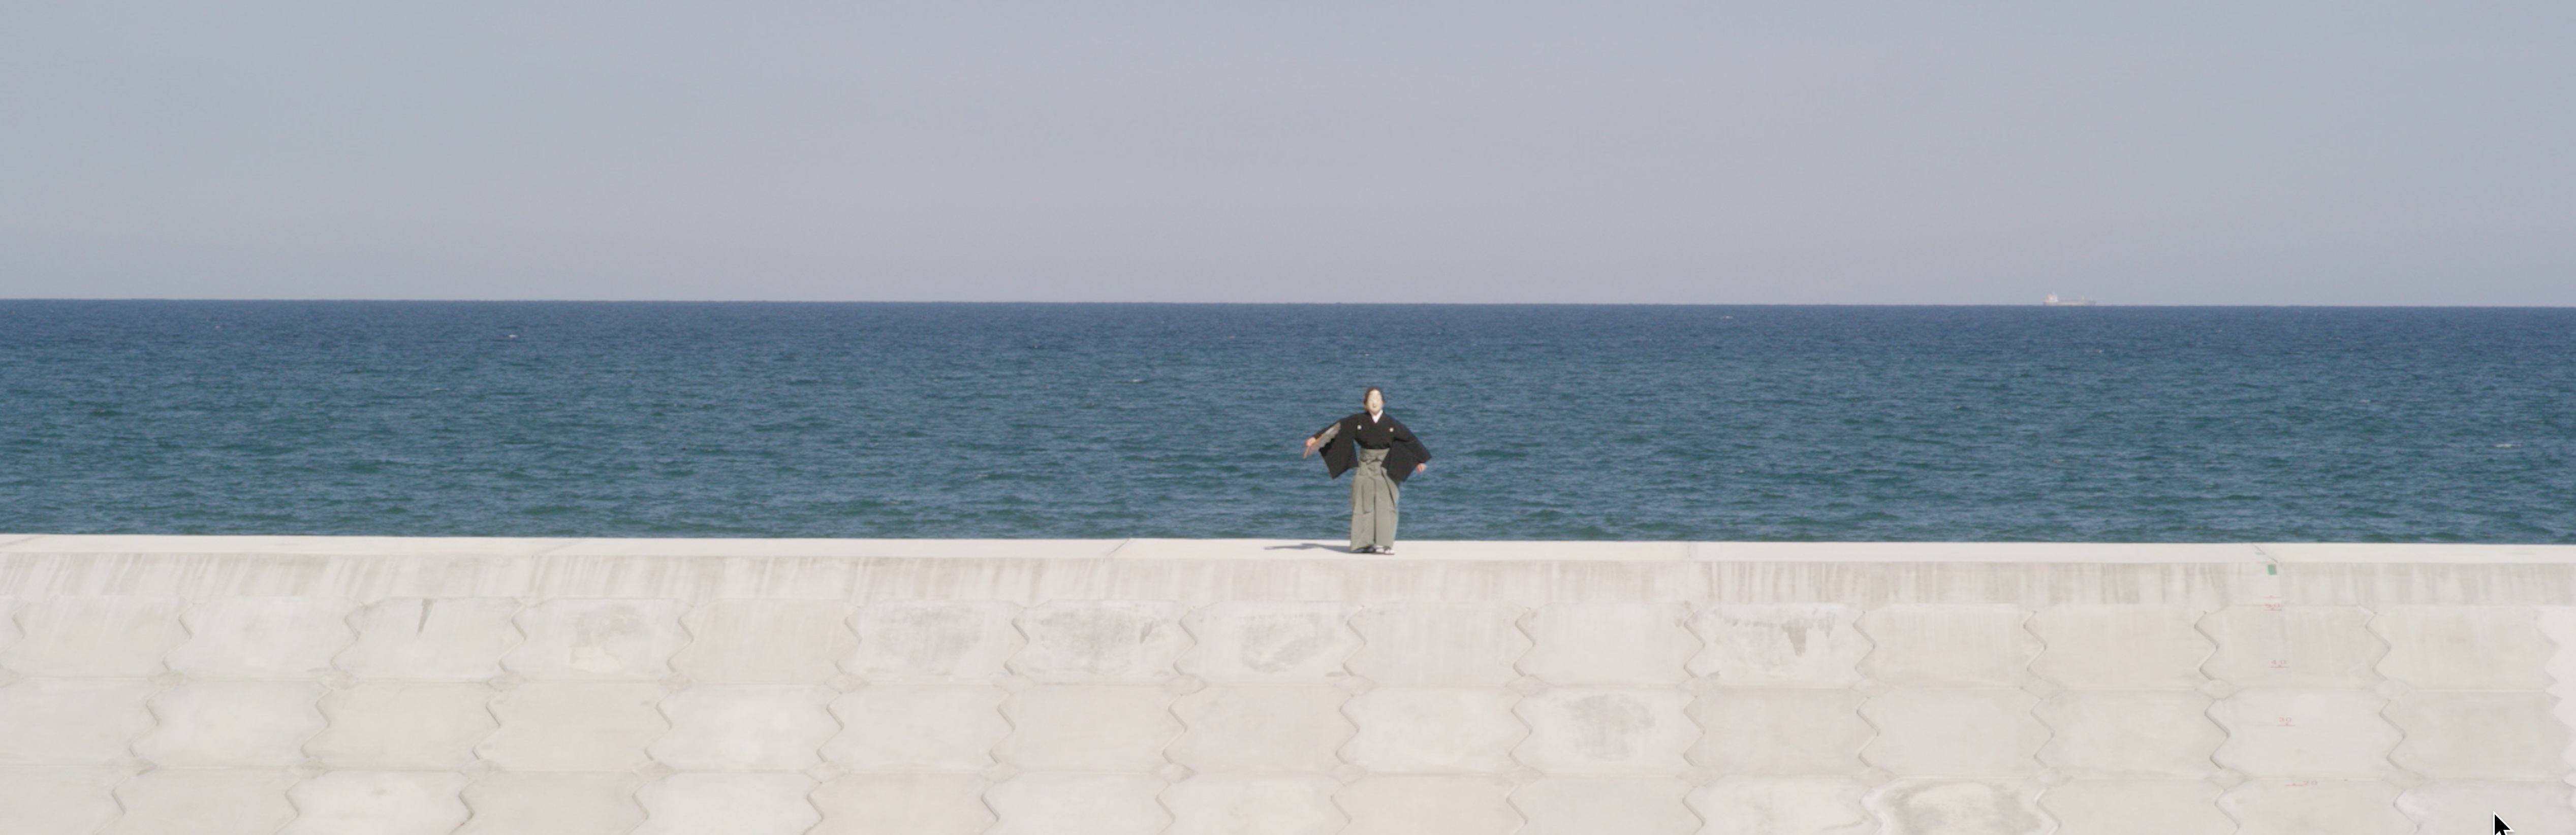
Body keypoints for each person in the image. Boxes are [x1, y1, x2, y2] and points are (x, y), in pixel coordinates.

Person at [1301, 386, 1430, 554]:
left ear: (1383, 402)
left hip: (1386, 466)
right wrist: (1316, 438)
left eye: (1378, 398)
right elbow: (1337, 428)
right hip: (1365, 465)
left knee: (1387, 504)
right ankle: (1364, 543)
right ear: (1364, 404)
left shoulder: (1392, 424)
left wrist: (1417, 460)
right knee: (1362, 502)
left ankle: (1385, 544)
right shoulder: (1357, 421)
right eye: (1371, 398)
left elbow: (1409, 440)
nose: (1374, 402)